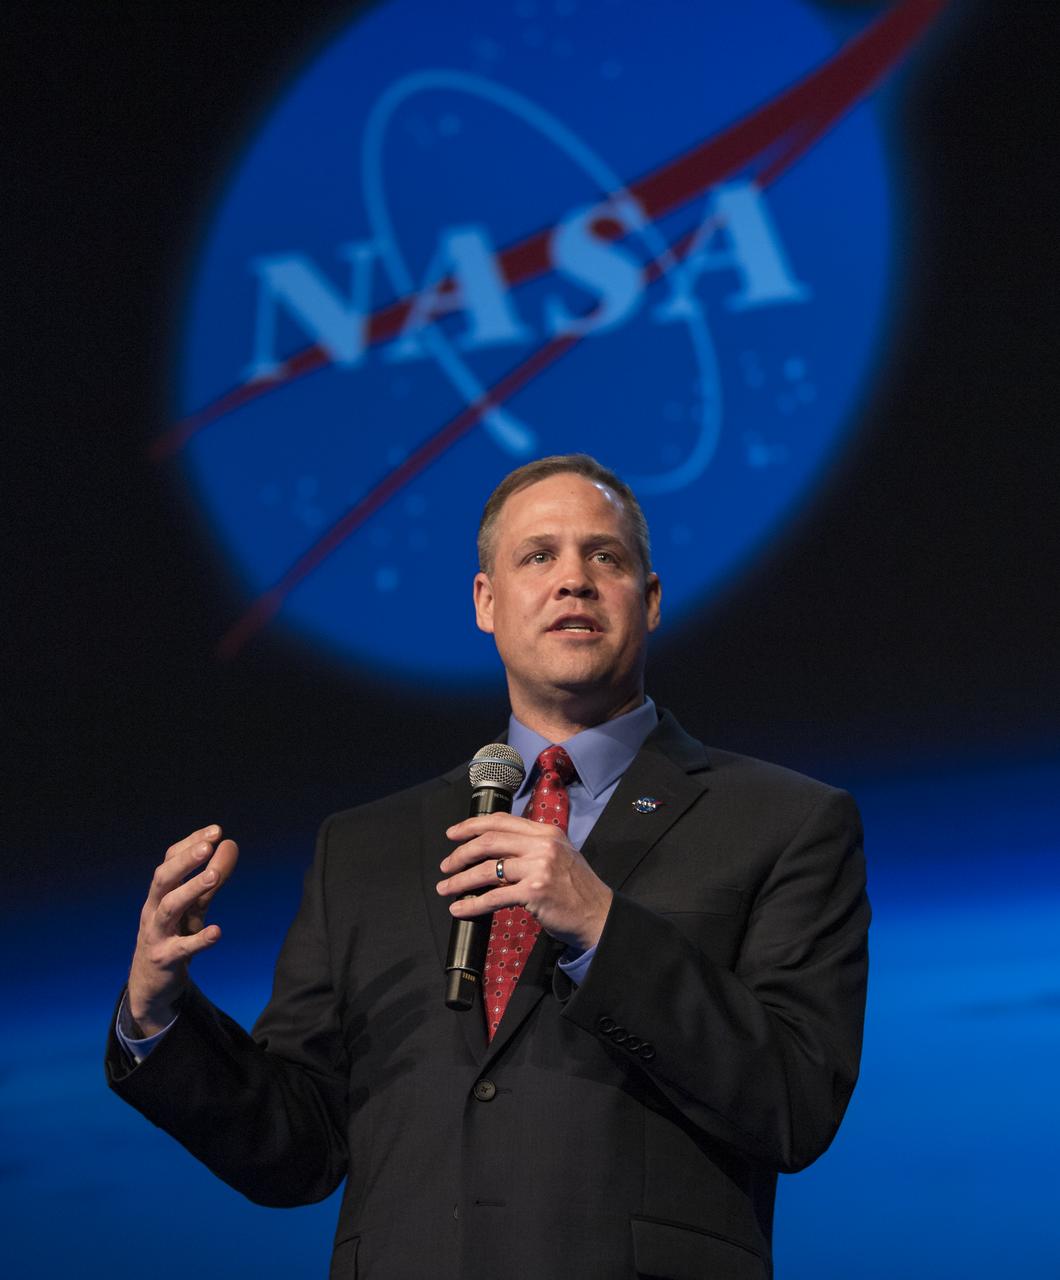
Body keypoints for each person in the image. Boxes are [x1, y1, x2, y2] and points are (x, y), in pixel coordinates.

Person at [107, 454, 869, 1280]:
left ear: (648, 602)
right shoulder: (363, 847)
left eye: (605, 557)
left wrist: (602, 929)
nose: (572, 579)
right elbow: (299, 1150)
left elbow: (795, 1102)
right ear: (486, 603)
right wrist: (159, 1016)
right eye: (537, 556)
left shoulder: (784, 821)